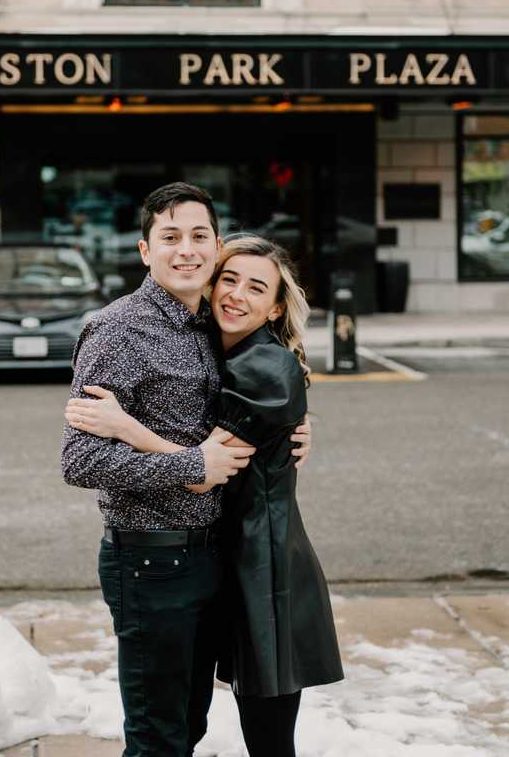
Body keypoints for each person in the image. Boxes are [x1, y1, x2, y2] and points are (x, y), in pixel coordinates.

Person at [66, 234, 344, 757]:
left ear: (275, 307)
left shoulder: (264, 366)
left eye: (256, 288)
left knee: (266, 740)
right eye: (229, 279)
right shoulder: (214, 348)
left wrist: (125, 427)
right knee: (180, 725)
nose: (236, 294)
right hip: (225, 559)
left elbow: (203, 472)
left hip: (264, 569)